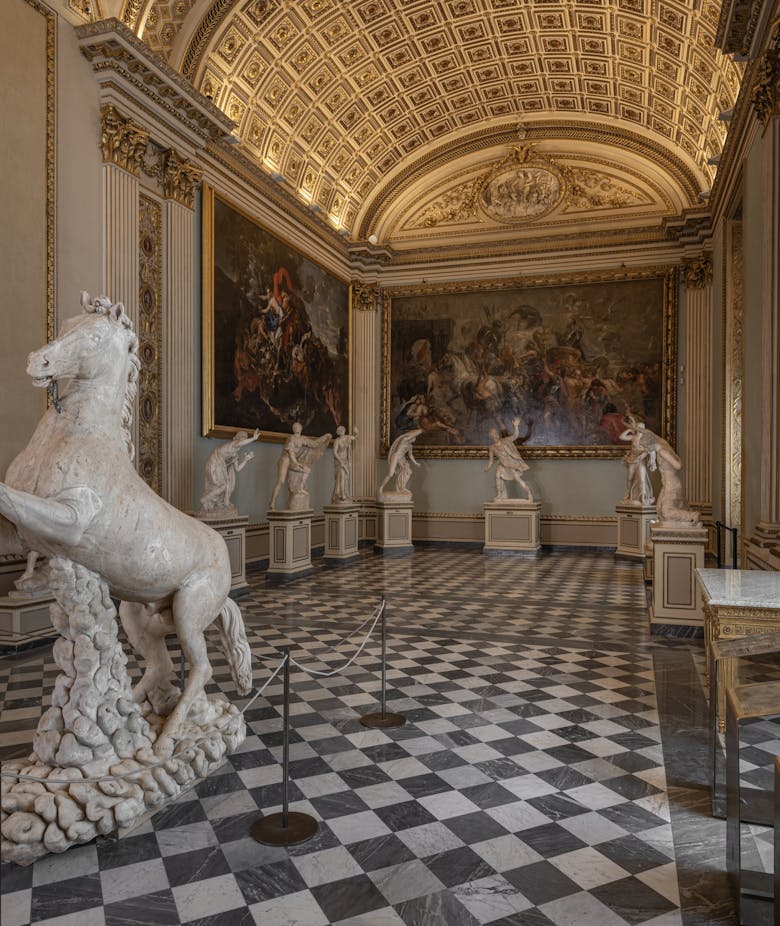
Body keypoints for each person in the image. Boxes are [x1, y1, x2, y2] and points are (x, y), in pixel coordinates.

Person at [269, 422, 331, 511]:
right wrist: (296, 463)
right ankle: (272, 502)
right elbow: (290, 452)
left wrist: (325, 437)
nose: (296, 428)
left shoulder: (303, 439)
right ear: (293, 429)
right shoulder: (291, 438)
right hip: (285, 461)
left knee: (306, 470)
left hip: (293, 461)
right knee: (281, 481)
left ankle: (300, 488)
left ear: (301, 428)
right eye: (295, 427)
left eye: (298, 427)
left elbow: (315, 444)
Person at [198, 429, 260, 515]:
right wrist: (253, 438)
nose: (243, 439)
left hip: (220, 464)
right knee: (222, 485)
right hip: (215, 460)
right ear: (235, 438)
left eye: (245, 438)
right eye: (241, 437)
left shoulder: (235, 454)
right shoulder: (232, 444)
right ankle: (205, 499)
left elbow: (237, 468)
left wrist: (246, 459)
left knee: (225, 485)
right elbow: (240, 443)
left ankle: (217, 503)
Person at [485, 417, 533, 501]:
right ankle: (499, 495)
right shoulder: (492, 448)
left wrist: (516, 426)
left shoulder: (505, 440)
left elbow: (515, 436)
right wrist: (487, 468)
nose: (496, 434)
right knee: (497, 477)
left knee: (517, 479)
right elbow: (491, 461)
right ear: (491, 436)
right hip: (502, 465)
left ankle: (529, 494)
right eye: (494, 433)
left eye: (496, 433)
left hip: (511, 464)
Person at [618, 416, 655, 506]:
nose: (640, 430)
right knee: (630, 478)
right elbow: (621, 437)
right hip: (632, 459)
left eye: (641, 428)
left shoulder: (645, 439)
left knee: (642, 479)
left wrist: (644, 454)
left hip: (641, 460)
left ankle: (643, 497)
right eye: (638, 428)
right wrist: (629, 430)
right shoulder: (633, 437)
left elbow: (650, 449)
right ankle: (628, 494)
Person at [378, 429, 422, 499]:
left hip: (402, 458)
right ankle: (381, 487)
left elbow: (410, 455)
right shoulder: (404, 440)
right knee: (390, 474)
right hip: (396, 456)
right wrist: (421, 430)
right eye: (414, 437)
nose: (415, 438)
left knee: (408, 471)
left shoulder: (410, 446)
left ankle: (401, 487)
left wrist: (415, 462)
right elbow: (410, 435)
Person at [331, 425, 358, 503]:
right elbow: (335, 452)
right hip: (339, 461)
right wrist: (340, 461)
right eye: (340, 431)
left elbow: (355, 437)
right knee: (342, 477)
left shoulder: (347, 437)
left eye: (343, 430)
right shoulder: (337, 441)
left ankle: (345, 493)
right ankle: (342, 494)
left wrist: (356, 432)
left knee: (346, 478)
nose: (342, 431)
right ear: (338, 432)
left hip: (346, 461)